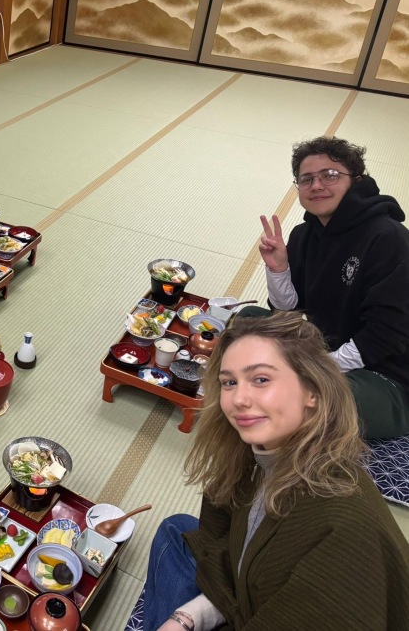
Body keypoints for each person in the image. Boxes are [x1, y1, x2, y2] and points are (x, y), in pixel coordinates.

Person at [144, 312, 409, 631]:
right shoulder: (257, 456)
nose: (239, 399)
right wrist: (187, 617)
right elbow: (229, 546)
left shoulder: (344, 531)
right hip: (251, 597)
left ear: (312, 391)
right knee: (176, 530)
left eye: (261, 379)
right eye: (229, 382)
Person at [256, 136, 409, 439]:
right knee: (247, 323)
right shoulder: (304, 235)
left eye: (330, 175)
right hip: (327, 352)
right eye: (306, 179)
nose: (316, 185)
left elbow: (386, 334)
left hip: (386, 378)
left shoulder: (388, 237)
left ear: (357, 180)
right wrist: (278, 270)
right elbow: (288, 311)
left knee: (304, 404)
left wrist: (317, 368)